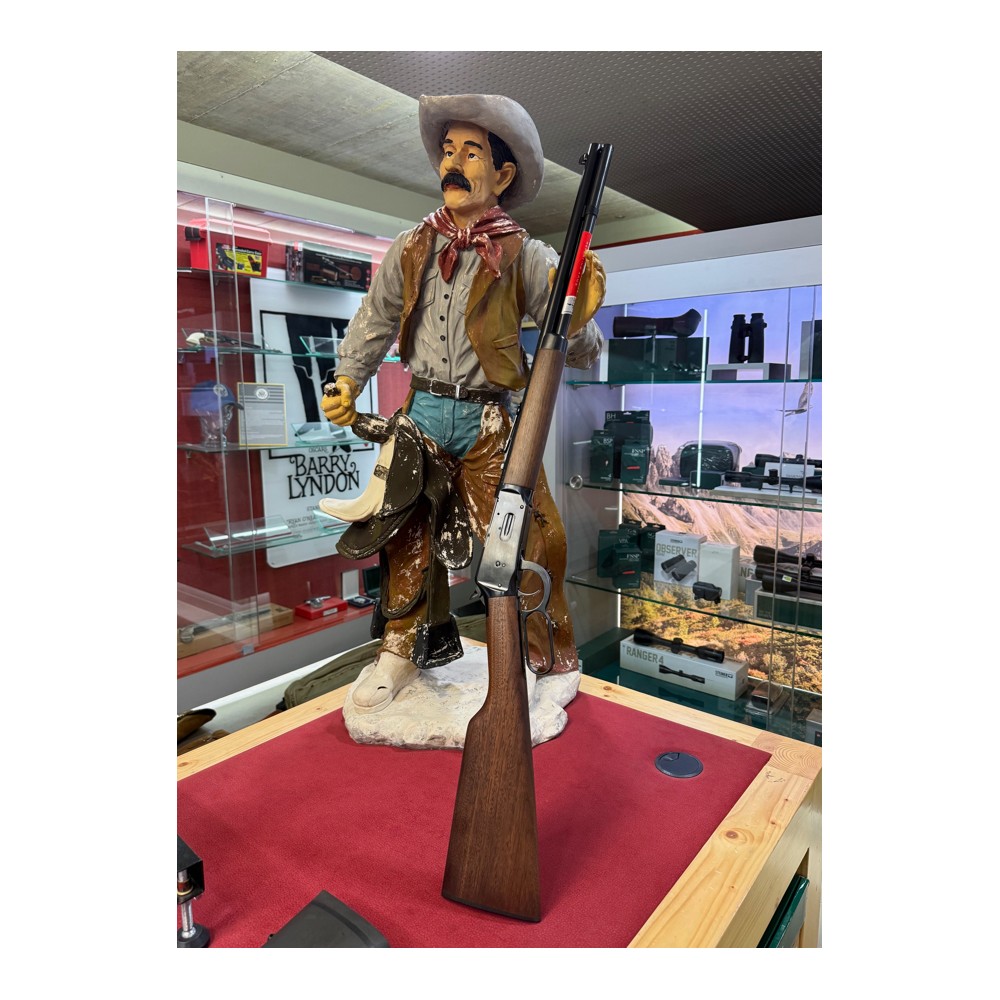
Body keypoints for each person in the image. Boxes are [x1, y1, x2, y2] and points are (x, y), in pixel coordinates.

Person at [322, 93, 606, 714]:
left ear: (501, 176)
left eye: (470, 153)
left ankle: (540, 656)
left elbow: (584, 351)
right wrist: (346, 380)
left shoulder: (530, 257)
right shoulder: (412, 246)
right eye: (448, 151)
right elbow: (375, 319)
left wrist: (578, 311)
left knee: (525, 540)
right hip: (422, 414)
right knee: (404, 533)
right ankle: (401, 648)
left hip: (488, 421)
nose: (452, 163)